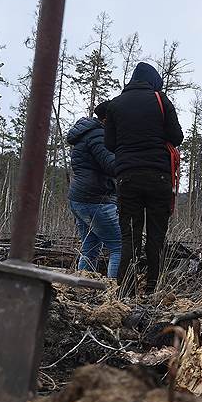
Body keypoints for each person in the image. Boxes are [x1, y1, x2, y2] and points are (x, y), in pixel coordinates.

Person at [104, 62, 183, 296]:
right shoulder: (161, 100)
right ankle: (151, 290)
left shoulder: (115, 105)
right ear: (153, 81)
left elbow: (109, 143)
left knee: (129, 236)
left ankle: (125, 292)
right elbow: (176, 137)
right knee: (156, 237)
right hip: (159, 177)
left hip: (127, 178)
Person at [66, 101, 121, 277]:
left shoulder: (86, 134)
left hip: (79, 198)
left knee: (90, 246)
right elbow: (111, 165)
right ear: (108, 119)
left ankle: (81, 290)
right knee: (119, 245)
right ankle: (115, 294)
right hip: (95, 200)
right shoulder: (98, 134)